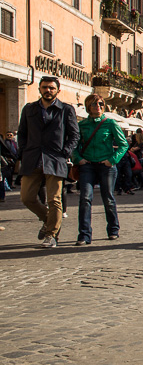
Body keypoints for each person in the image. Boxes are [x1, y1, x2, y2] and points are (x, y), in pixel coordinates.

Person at [17, 76, 80, 248]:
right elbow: (21, 132)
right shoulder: (29, 109)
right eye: (45, 87)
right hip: (32, 158)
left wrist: (65, 152)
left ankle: (52, 235)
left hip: (55, 158)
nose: (48, 90)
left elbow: (74, 135)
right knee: (27, 197)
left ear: (57, 90)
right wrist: (23, 151)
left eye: (51, 88)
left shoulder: (66, 109)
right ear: (39, 89)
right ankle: (48, 220)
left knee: (54, 199)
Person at [72, 93, 129, 244]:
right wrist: (78, 159)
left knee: (108, 198)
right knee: (85, 198)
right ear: (88, 107)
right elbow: (73, 145)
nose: (98, 107)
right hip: (88, 165)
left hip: (106, 166)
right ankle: (84, 234)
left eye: (101, 104)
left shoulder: (110, 123)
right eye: (95, 104)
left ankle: (113, 229)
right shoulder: (82, 125)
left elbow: (123, 144)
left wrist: (112, 160)